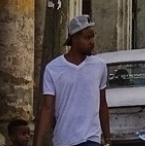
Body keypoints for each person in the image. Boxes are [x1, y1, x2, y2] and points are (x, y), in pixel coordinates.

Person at [36, 14, 110, 146]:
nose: (92, 41)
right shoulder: (53, 68)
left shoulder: (99, 66)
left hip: (91, 138)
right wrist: (38, 142)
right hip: (64, 139)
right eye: (87, 38)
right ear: (74, 39)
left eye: (92, 36)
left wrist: (108, 140)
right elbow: (47, 108)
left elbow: (102, 105)